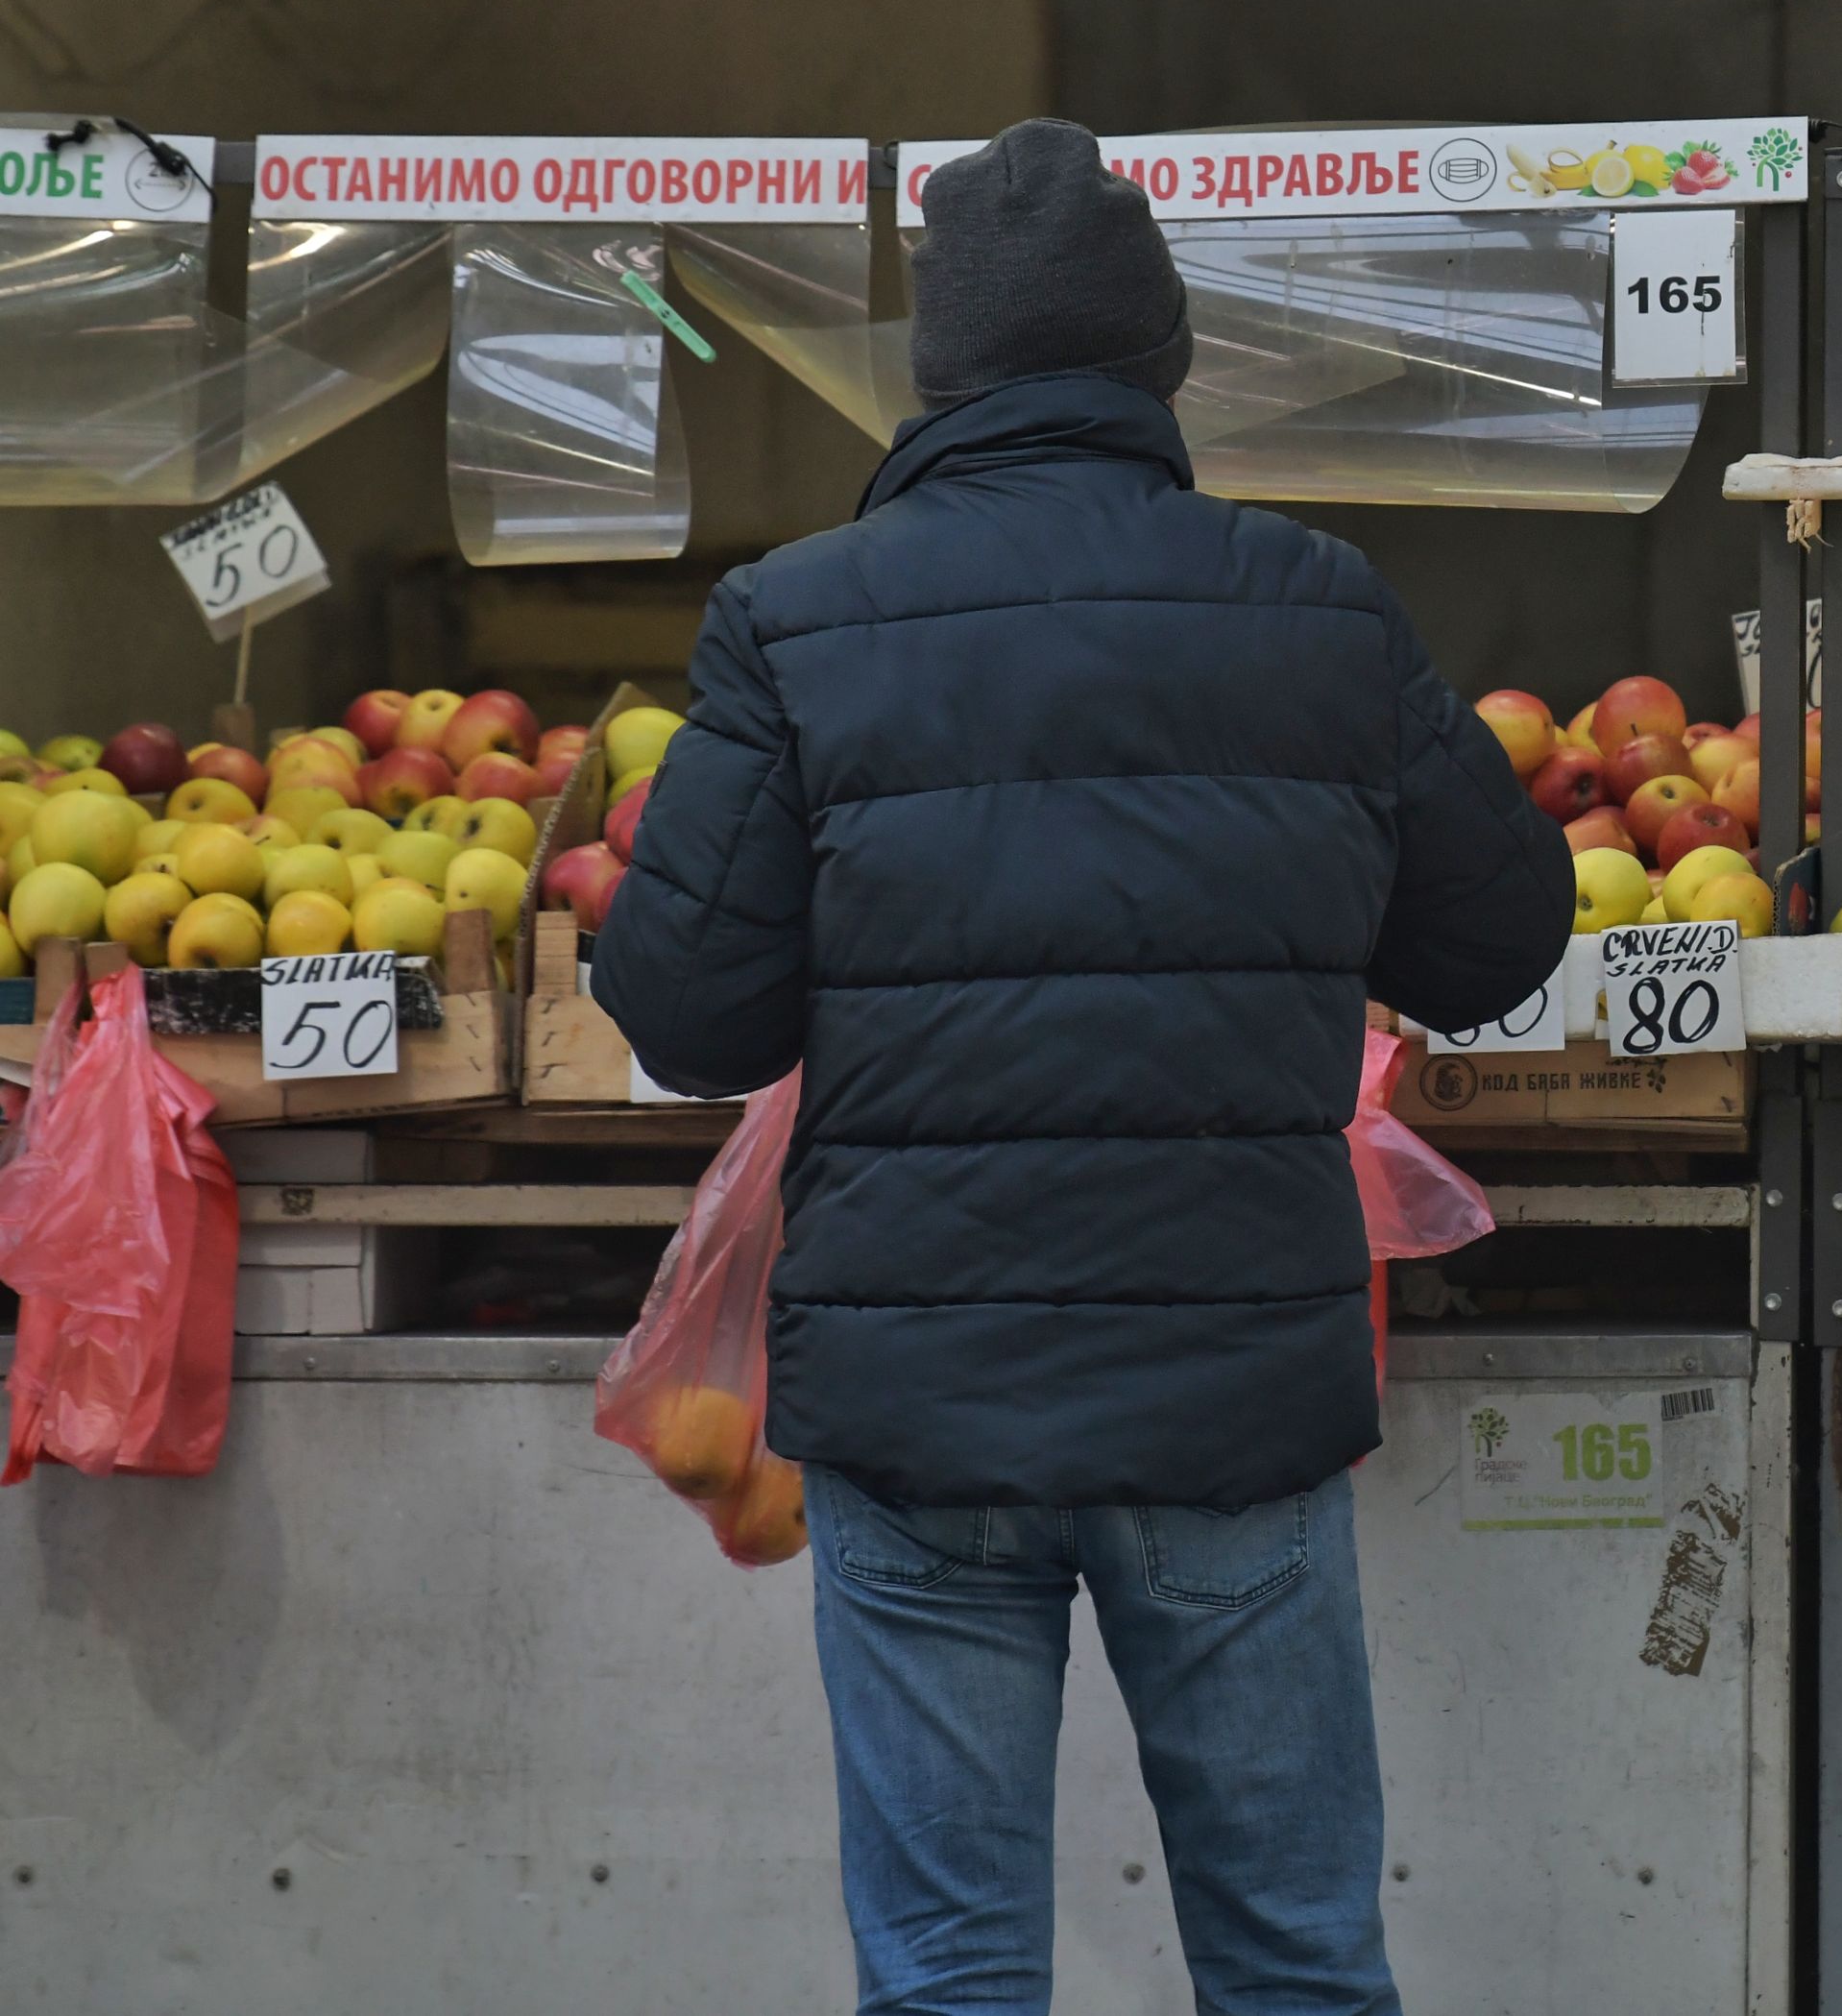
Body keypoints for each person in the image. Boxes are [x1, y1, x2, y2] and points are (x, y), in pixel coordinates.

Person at [594, 118, 1571, 2015]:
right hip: (1234, 1386)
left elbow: (692, 1013)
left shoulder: (791, 621)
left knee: (950, 1975)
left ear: (938, 373)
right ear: (1165, 361)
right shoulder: (1318, 606)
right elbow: (1494, 940)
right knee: (1295, 1957)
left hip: (922, 1392)